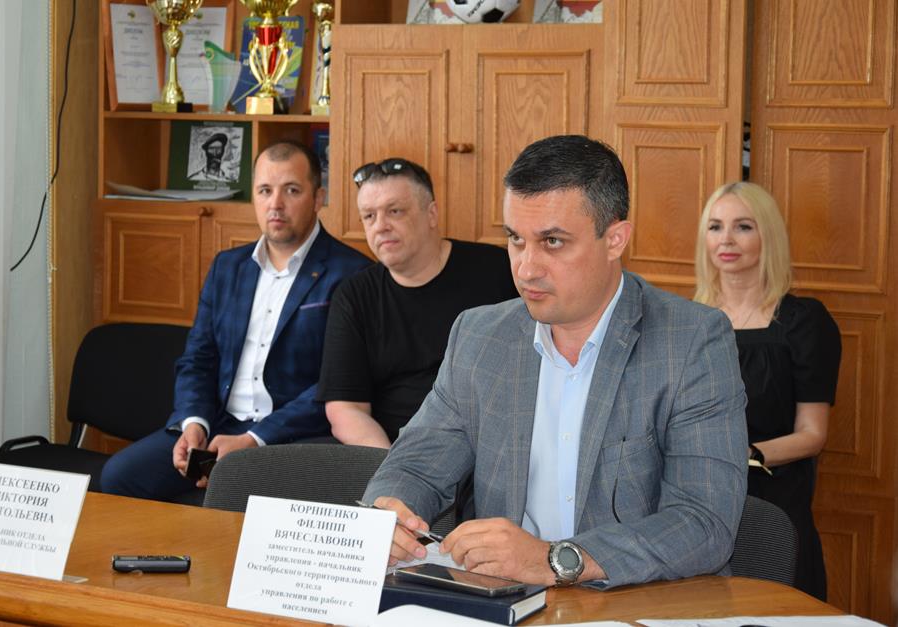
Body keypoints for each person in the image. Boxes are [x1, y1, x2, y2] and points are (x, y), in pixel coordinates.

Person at [362, 135, 749, 588]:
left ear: (615, 239)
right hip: (503, 601)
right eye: (515, 239)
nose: (526, 268)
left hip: (634, 602)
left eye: (552, 242)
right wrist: (390, 513)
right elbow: (415, 465)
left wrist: (556, 559)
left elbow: (704, 522)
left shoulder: (691, 341)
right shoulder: (480, 336)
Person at [100, 140, 371, 501]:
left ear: (317, 198)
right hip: (219, 425)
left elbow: (334, 385)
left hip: (292, 437)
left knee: (230, 493)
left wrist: (254, 439)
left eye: (291, 190)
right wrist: (194, 423)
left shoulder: (352, 275)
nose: (276, 204)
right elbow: (198, 359)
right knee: (120, 477)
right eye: (265, 191)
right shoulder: (228, 267)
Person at [694, 181, 841, 600]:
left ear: (768, 236)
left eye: (743, 226)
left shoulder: (804, 321)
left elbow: (813, 434)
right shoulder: (689, 320)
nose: (726, 239)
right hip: (701, 504)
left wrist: (748, 454)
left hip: (776, 502)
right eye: (715, 227)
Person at [315, 158, 516, 447]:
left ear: (431, 214)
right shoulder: (354, 295)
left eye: (394, 211)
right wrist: (391, 465)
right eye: (369, 216)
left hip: (486, 446)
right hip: (391, 447)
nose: (380, 226)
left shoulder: (498, 271)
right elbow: (345, 408)